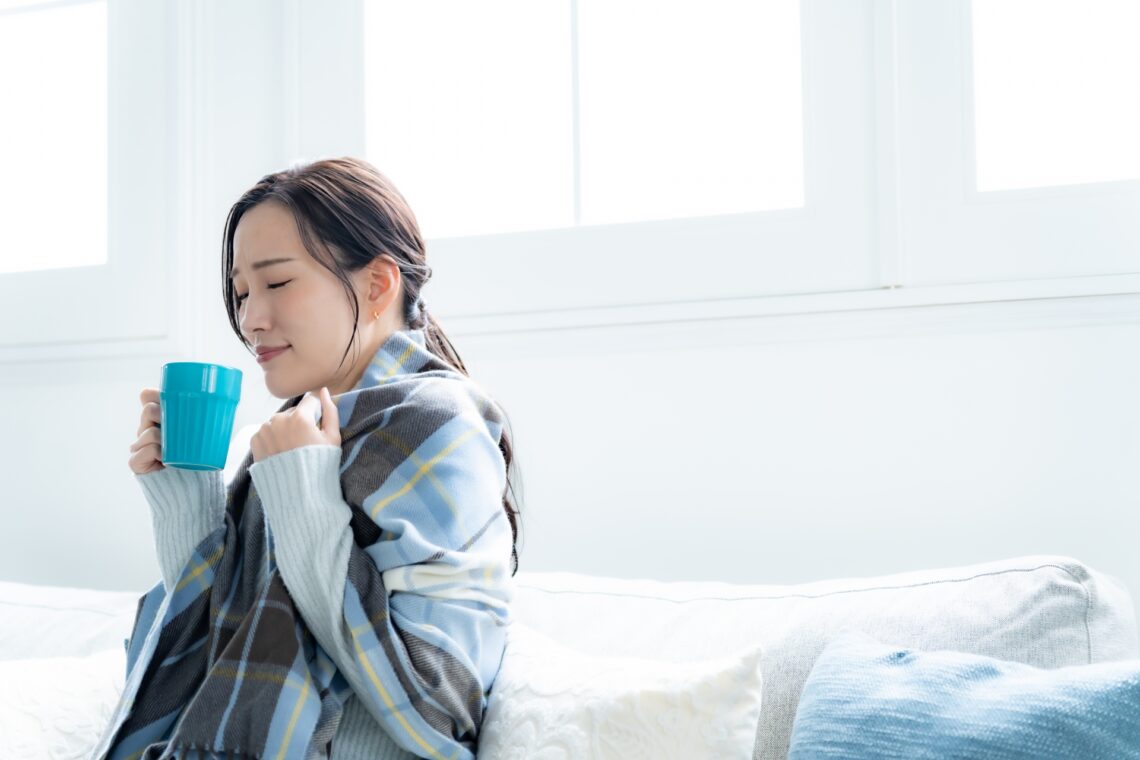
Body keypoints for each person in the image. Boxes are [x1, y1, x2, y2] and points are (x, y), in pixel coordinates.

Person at [99, 157, 521, 760]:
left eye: (276, 283)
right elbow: (217, 649)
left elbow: (436, 709)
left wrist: (307, 500)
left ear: (377, 285)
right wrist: (185, 494)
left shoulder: (439, 424)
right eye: (241, 292)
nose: (249, 319)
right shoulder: (289, 438)